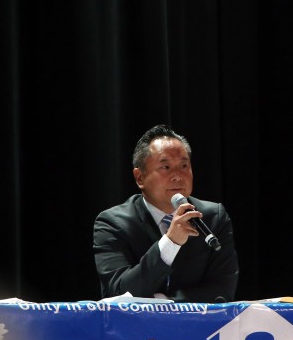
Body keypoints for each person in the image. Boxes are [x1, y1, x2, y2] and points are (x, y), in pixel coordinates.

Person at [94, 125, 239, 302]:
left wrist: (162, 301)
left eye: (184, 165)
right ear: (140, 177)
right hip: (135, 327)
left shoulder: (212, 216)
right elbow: (120, 293)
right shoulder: (113, 223)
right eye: (166, 167)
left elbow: (222, 290)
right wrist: (170, 243)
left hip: (198, 326)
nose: (178, 176)